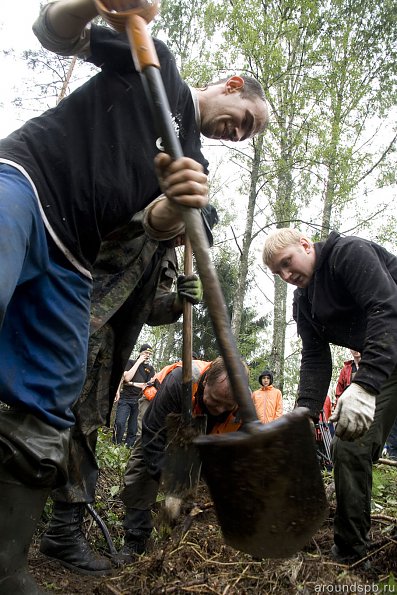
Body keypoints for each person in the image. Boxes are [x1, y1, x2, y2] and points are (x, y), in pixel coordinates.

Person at [0, 0, 268, 588]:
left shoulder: (191, 158)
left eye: (247, 135)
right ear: (230, 85)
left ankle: (7, 566)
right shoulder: (158, 66)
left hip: (75, 254)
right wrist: (87, 5)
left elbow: (152, 224)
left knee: (51, 398)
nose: (240, 133)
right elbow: (55, 34)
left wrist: (177, 200)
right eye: (245, 118)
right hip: (24, 181)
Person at [38, 205, 216, 577]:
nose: (185, 243)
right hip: (71, 325)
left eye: (192, 242)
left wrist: (178, 302)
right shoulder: (135, 218)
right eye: (188, 234)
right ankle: (28, 524)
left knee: (83, 429)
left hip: (109, 346)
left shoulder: (169, 255)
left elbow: (151, 309)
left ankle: (62, 533)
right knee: (42, 418)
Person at [262, 227, 397, 565]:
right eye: (279, 272)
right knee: (349, 444)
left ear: (306, 245)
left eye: (287, 263)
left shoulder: (348, 254)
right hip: (387, 362)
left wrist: (365, 384)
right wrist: (305, 414)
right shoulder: (304, 301)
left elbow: (386, 309)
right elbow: (315, 357)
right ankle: (351, 553)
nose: (287, 275)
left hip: (386, 349)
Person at [119, 357, 243, 559]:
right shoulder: (181, 379)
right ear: (205, 383)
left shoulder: (244, 408)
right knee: (143, 463)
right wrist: (171, 480)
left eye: (226, 405)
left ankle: (182, 536)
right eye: (215, 400)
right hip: (162, 408)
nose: (219, 409)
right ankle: (136, 538)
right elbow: (152, 437)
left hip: (202, 426)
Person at [113, 344, 155, 447]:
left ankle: (128, 448)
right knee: (120, 423)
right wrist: (139, 361)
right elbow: (126, 378)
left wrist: (136, 384)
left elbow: (148, 385)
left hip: (139, 400)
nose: (148, 355)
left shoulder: (150, 369)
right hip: (125, 398)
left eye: (150, 353)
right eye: (146, 353)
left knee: (133, 428)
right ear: (140, 352)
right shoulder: (131, 363)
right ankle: (115, 445)